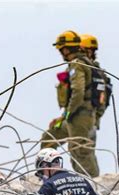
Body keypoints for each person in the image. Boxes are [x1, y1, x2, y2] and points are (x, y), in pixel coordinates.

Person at [41, 30, 99, 177]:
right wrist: (63, 117)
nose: (61, 53)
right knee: (50, 137)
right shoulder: (80, 64)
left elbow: (78, 92)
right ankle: (47, 175)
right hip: (73, 115)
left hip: (79, 116)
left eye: (61, 49)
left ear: (66, 49)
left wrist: (67, 113)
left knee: (80, 151)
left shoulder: (77, 65)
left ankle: (92, 183)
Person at [35, 148, 100, 195]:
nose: (42, 175)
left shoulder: (49, 185)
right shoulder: (83, 180)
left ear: (45, 165)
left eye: (41, 171)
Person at [79, 33, 112, 133]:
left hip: (81, 121)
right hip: (92, 122)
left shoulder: (82, 69)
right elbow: (103, 101)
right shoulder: (100, 73)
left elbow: (77, 93)